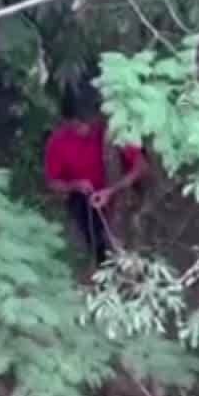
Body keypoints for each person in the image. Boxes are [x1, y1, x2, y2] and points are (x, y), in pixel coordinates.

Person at [44, 77, 147, 268]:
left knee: (133, 215)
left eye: (87, 121)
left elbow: (141, 166)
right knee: (88, 221)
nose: (85, 128)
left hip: (120, 188)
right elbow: (53, 182)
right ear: (67, 122)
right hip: (87, 198)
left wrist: (112, 190)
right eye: (77, 124)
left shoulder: (113, 129)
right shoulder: (58, 141)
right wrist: (75, 185)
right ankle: (103, 264)